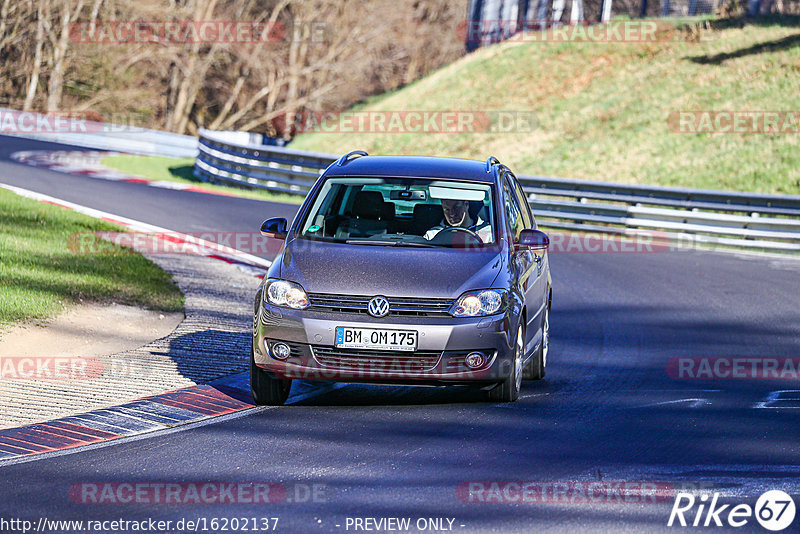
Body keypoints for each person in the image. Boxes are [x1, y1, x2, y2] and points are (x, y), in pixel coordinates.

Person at [423, 199, 491, 243]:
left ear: (466, 205)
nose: (452, 214)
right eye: (447, 209)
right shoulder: (433, 234)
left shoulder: (487, 233)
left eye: (456, 207)